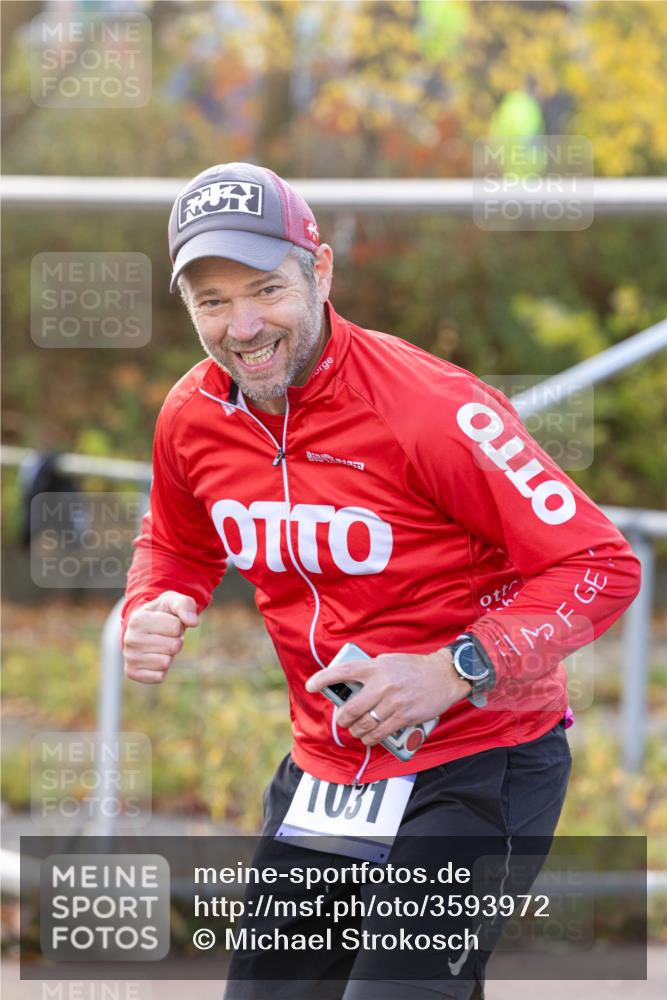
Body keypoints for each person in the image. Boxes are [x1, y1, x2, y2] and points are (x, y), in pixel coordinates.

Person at [121, 162, 641, 999]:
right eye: (211, 302)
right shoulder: (192, 415)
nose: (243, 327)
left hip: (478, 763)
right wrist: (152, 600)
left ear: (319, 272)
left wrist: (455, 668)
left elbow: (599, 565)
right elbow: (175, 543)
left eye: (266, 290)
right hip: (326, 768)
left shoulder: (432, 409)